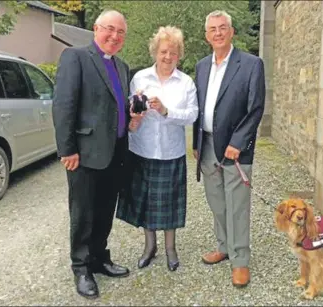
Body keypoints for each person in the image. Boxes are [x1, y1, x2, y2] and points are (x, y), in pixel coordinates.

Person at [52, 10, 131, 299]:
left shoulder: (122, 66)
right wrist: (67, 149)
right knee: (83, 212)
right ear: (96, 29)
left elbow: (116, 105)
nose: (114, 36)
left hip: (115, 153)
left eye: (121, 32)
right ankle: (81, 266)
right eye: (110, 29)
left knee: (104, 211)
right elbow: (63, 105)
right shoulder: (76, 57)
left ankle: (99, 257)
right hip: (84, 154)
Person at [192, 10, 266, 288]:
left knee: (237, 206)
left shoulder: (250, 64)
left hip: (235, 148)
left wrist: (239, 142)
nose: (218, 33)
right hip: (207, 144)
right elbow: (198, 109)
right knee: (217, 202)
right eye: (213, 29)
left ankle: (240, 261)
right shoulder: (201, 67)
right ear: (207, 36)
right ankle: (224, 247)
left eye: (223, 28)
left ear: (232, 32)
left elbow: (256, 107)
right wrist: (196, 144)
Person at [116, 26, 198, 272]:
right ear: (155, 52)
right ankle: (149, 246)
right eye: (163, 51)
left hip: (170, 151)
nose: (168, 57)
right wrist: (135, 113)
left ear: (179, 55)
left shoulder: (186, 83)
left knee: (170, 203)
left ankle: (171, 248)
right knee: (145, 202)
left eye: (173, 52)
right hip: (141, 149)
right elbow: (130, 108)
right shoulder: (139, 78)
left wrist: (166, 111)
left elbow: (192, 114)